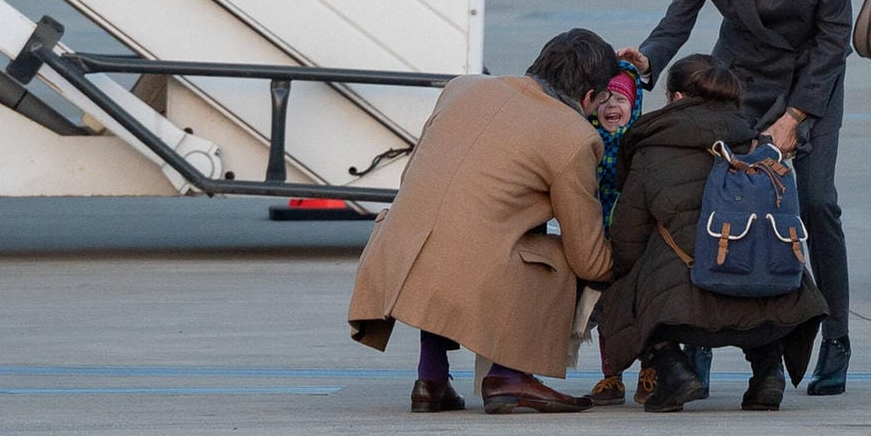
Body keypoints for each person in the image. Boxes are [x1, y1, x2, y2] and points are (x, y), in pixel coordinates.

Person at [621, 0, 853, 395]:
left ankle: (835, 337)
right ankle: (703, 340)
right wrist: (646, 63)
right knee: (718, 201)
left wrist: (795, 117)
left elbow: (833, 35)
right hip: (740, 82)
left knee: (817, 203)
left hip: (810, 82)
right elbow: (680, 14)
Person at [347, 28, 618, 413]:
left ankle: (431, 378)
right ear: (588, 96)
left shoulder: (463, 88)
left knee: (458, 232)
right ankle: (507, 375)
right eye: (603, 96)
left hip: (397, 256)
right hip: (463, 269)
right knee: (561, 257)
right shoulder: (573, 136)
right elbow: (588, 256)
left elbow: (411, 178)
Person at [595, 55, 830, 412]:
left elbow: (628, 236)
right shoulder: (756, 145)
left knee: (623, 285)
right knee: (751, 255)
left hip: (685, 307)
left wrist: (620, 278)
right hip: (773, 296)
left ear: (675, 98)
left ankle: (673, 370)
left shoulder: (653, 148)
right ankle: (768, 371)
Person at [585, 66, 645, 407]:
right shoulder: (586, 141)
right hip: (599, 240)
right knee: (606, 309)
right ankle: (612, 375)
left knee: (639, 308)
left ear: (633, 105)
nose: (611, 106)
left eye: (620, 98)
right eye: (604, 97)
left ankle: (649, 369)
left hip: (636, 241)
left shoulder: (639, 143)